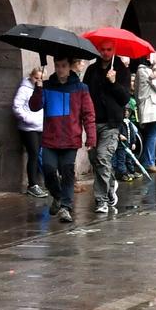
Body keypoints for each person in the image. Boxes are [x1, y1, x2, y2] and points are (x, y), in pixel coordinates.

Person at [38, 57, 95, 222]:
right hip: (50, 137)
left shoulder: (81, 88)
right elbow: (34, 106)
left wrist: (91, 138)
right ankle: (57, 196)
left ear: (70, 67)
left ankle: (65, 207)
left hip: (70, 138)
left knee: (67, 171)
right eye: (57, 66)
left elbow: (88, 114)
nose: (60, 69)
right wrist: (38, 88)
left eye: (64, 65)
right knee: (48, 169)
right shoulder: (47, 86)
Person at [86, 51, 129, 215]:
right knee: (95, 159)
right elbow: (86, 94)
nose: (105, 53)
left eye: (108, 49)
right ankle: (110, 186)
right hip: (92, 122)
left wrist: (113, 82)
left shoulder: (121, 70)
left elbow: (125, 98)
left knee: (103, 157)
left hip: (111, 123)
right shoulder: (92, 70)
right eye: (102, 49)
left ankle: (101, 199)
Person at [13, 64, 46, 198]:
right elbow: (16, 106)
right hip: (28, 127)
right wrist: (27, 118)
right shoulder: (24, 89)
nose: (38, 81)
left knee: (38, 154)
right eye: (36, 78)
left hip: (40, 126)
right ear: (31, 77)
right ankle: (32, 184)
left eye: (41, 78)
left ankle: (39, 182)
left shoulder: (42, 89)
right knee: (33, 154)